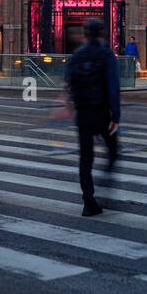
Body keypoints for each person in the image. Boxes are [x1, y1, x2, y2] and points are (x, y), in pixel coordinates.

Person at [64, 17, 120, 217]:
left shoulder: (77, 56)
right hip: (102, 113)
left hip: (83, 115)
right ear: (102, 33)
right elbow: (113, 86)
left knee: (85, 159)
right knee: (113, 151)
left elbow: (69, 83)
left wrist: (71, 105)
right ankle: (105, 179)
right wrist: (116, 115)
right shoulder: (106, 54)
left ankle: (88, 201)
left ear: (85, 34)